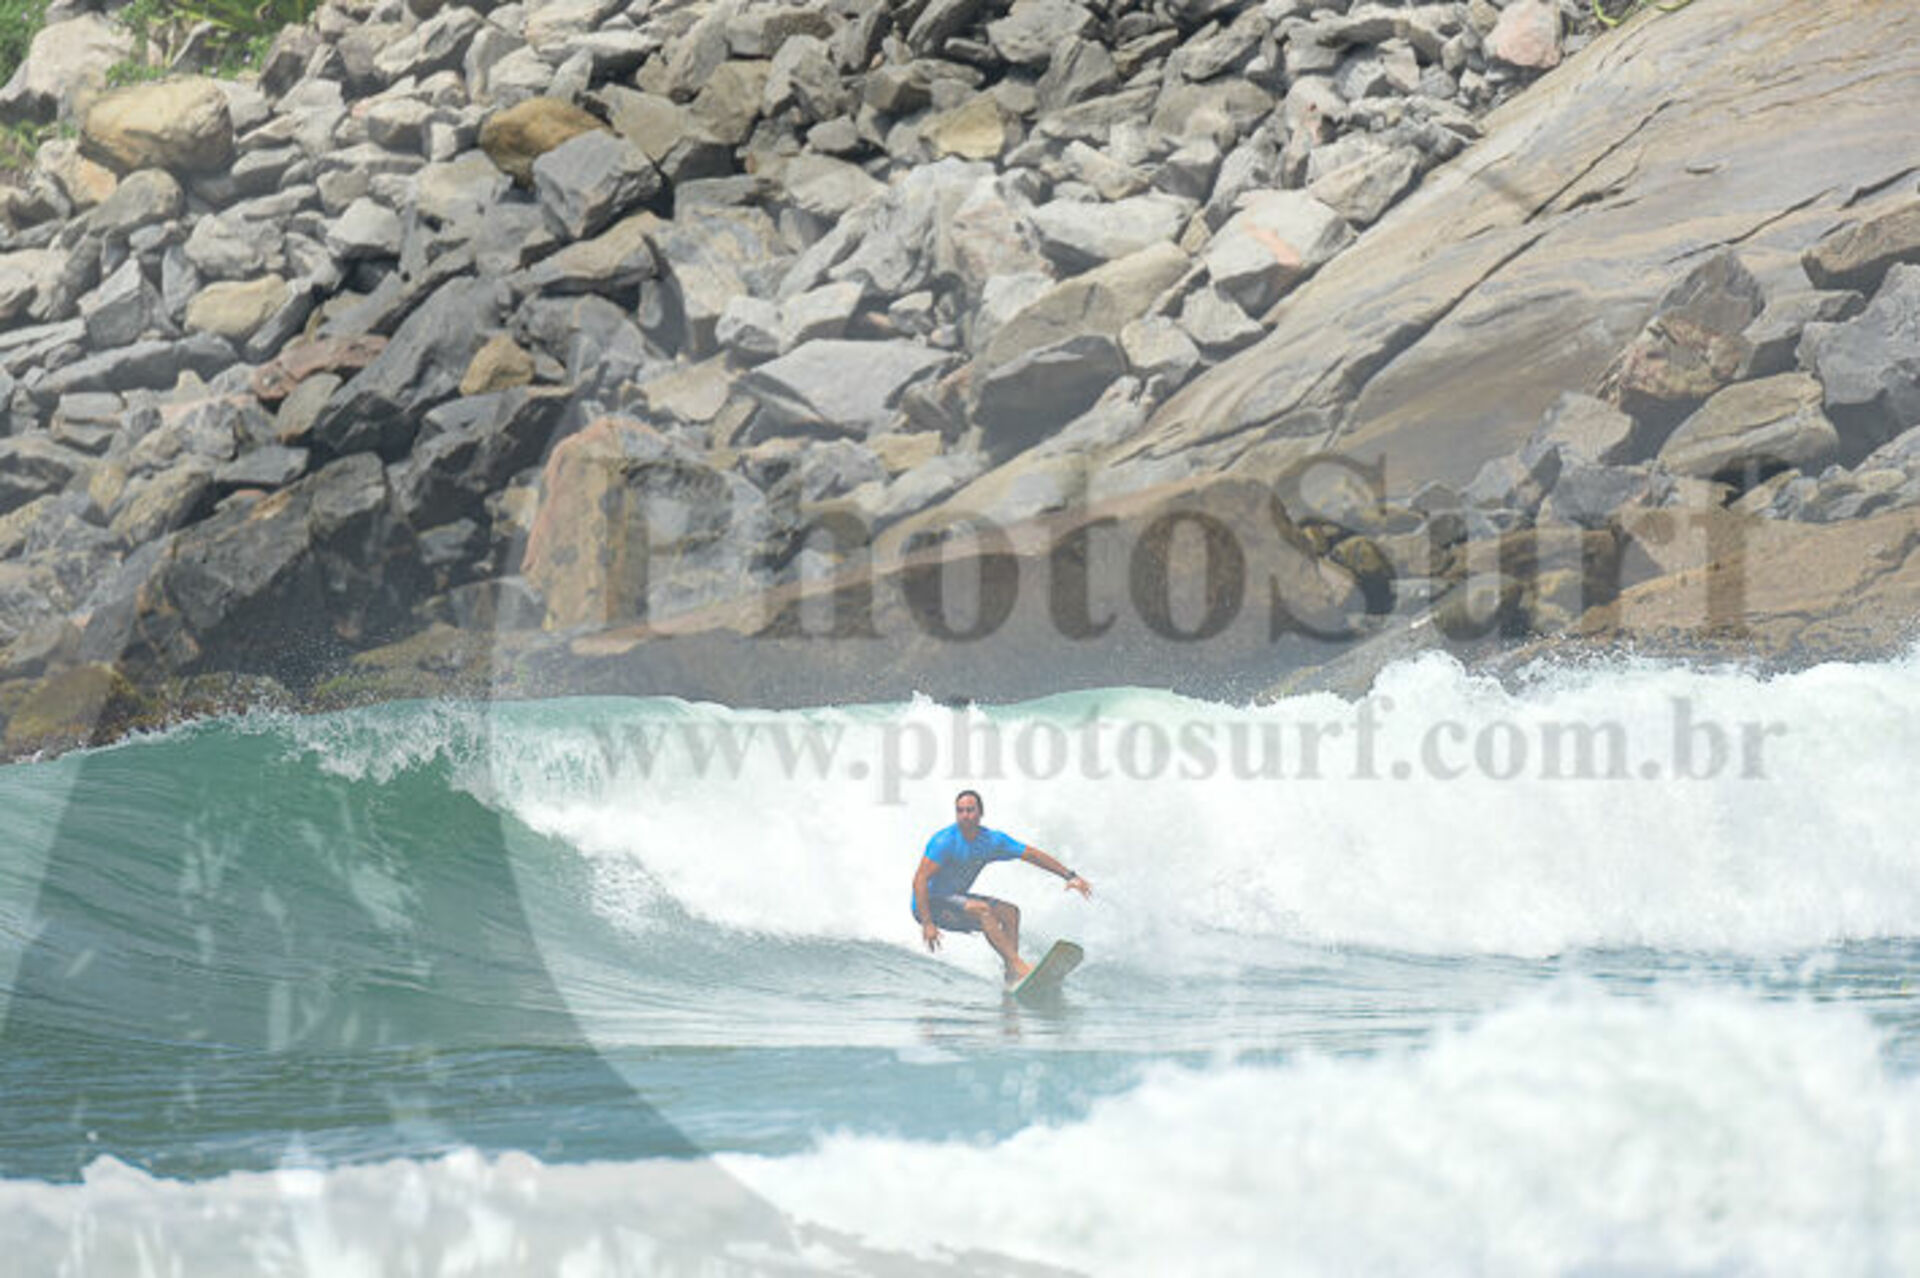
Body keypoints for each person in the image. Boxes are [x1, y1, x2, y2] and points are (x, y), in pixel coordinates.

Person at [911, 789, 1091, 983]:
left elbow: (1031, 855)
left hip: (955, 898)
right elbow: (919, 880)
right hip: (930, 905)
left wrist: (1070, 876)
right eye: (960, 811)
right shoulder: (944, 841)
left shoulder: (992, 841)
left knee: (1011, 913)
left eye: (970, 810)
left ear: (981, 813)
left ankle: (1011, 974)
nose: (965, 815)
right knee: (983, 910)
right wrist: (927, 923)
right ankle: (1018, 966)